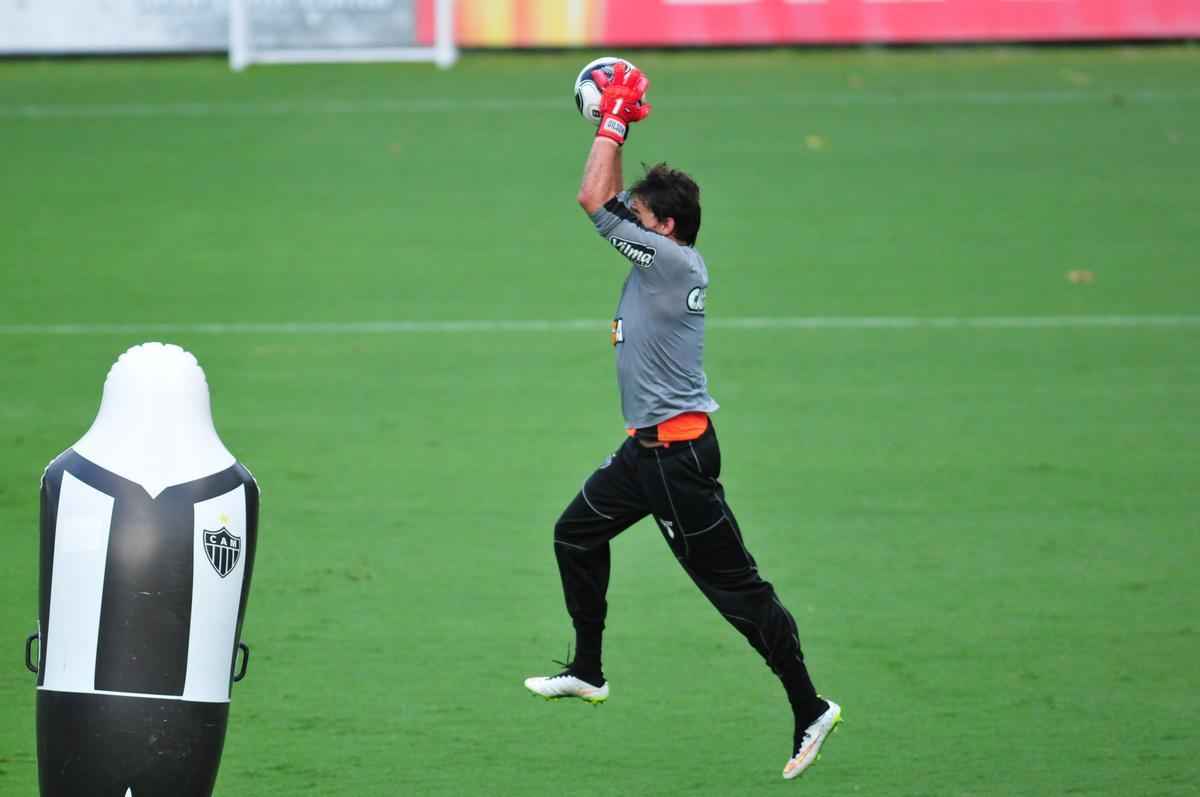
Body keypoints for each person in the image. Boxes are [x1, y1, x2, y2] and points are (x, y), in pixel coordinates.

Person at [522, 63, 841, 781]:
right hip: (644, 455)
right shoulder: (657, 260)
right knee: (575, 533)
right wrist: (622, 125)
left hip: (680, 464)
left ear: (664, 229)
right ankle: (588, 668)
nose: (623, 221)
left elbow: (589, 197)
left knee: (738, 591)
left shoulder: (671, 265)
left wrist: (612, 123)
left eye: (637, 216)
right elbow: (605, 199)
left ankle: (809, 703)